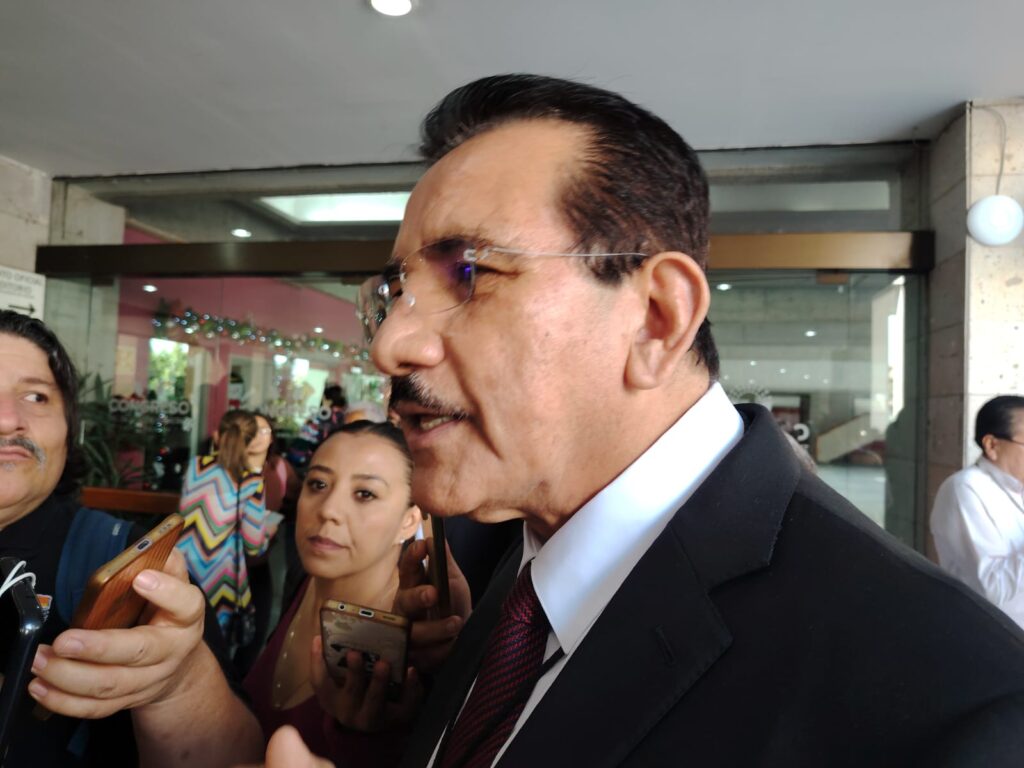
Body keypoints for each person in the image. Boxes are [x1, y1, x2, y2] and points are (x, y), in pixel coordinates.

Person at [308, 73, 1024, 767]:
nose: (388, 344)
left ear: (657, 319)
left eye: (470, 271)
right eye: (394, 293)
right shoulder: (479, 559)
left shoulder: (953, 704)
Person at [0, 309, 262, 766]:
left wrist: (177, 683)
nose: (7, 420)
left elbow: (241, 756)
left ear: (70, 428)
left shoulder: (126, 561)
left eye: (37, 396)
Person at [242, 420, 423, 766]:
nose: (328, 510)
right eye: (319, 484)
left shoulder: (409, 648)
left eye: (365, 494)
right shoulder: (305, 580)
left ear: (409, 521)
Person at [176, 409, 274, 657]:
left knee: (181, 639)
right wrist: (268, 532)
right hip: (220, 578)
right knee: (214, 651)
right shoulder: (252, 481)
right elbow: (253, 545)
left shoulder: (196, 466)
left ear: (217, 436)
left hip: (182, 568)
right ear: (250, 441)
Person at [932, 395, 1024, 628]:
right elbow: (992, 591)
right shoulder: (966, 489)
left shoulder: (1018, 488)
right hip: (998, 637)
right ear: (992, 445)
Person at [288, 385, 348, 472]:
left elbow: (304, 436)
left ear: (327, 400)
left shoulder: (322, 415)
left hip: (309, 459)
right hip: (332, 460)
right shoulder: (345, 417)